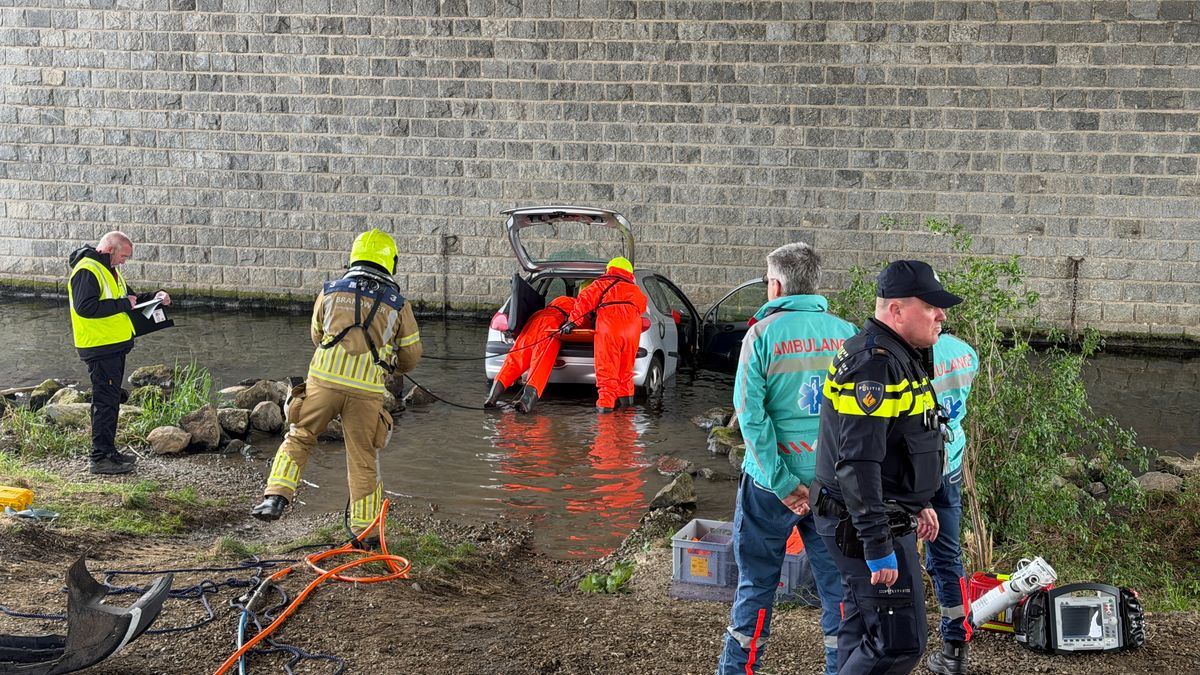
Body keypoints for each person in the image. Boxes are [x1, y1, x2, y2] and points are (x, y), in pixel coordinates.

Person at [812, 259, 961, 675]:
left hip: (879, 516)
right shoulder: (874, 365)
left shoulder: (896, 354)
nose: (941, 315)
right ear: (896, 310)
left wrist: (917, 502)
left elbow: (898, 443)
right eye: (930, 306)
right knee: (897, 645)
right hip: (864, 527)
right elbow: (857, 464)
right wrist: (877, 546)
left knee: (862, 632)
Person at [717, 242, 856, 675]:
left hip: (769, 488)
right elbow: (860, 419)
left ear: (776, 285)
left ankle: (739, 669)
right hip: (832, 484)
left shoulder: (761, 335)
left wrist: (781, 482)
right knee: (839, 590)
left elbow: (750, 416)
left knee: (756, 584)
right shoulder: (848, 335)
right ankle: (842, 668)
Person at [251, 230, 421, 538]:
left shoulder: (330, 291)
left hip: (324, 382)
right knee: (363, 460)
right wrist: (390, 364)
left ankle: (275, 497)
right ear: (390, 262)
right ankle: (364, 535)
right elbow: (411, 355)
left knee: (300, 436)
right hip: (366, 392)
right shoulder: (398, 305)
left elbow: (317, 335)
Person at [67, 231, 171, 475]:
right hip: (99, 348)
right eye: (124, 255)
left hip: (112, 346)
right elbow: (85, 307)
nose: (125, 261)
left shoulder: (110, 270)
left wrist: (156, 297)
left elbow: (129, 298)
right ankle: (99, 457)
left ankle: (109, 452)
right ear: (110, 249)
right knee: (104, 402)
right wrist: (125, 304)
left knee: (111, 401)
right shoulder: (87, 269)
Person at [926, 332, 979, 675]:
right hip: (951, 462)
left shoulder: (910, 352)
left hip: (915, 466)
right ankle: (955, 650)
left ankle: (893, 638)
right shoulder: (966, 353)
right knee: (948, 557)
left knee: (890, 550)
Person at [561, 257, 647, 413]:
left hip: (610, 327)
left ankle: (606, 427)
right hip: (632, 331)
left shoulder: (601, 283)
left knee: (607, 373)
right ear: (629, 274)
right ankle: (626, 417)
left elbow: (585, 299)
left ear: (609, 270)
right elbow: (642, 307)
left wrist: (572, 321)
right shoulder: (635, 290)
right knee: (626, 372)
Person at [484, 294, 589, 414]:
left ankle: (492, 398)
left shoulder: (559, 299)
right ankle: (526, 402)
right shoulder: (582, 305)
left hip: (535, 318)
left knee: (515, 358)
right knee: (539, 363)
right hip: (552, 323)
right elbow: (580, 325)